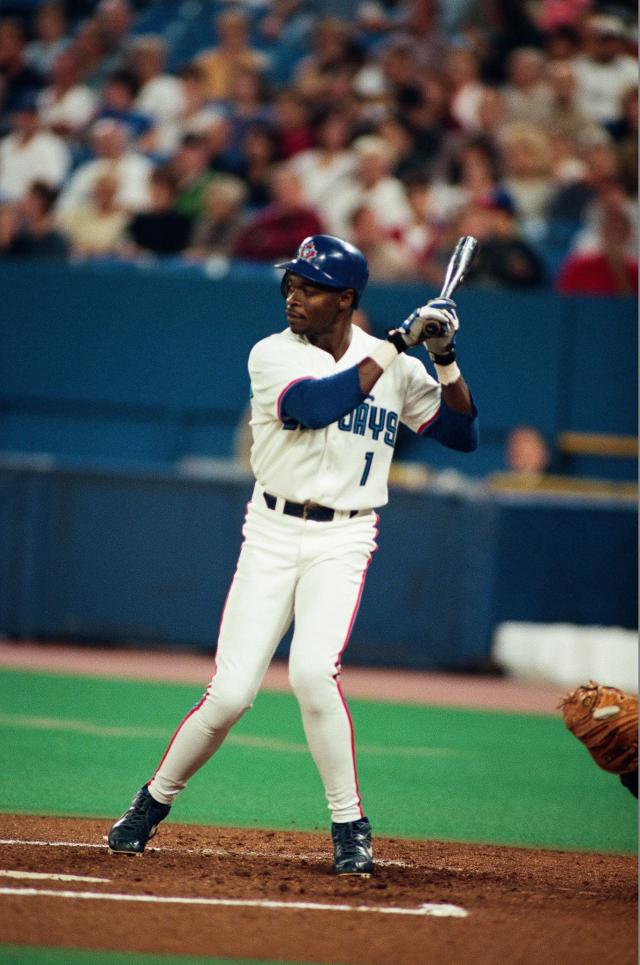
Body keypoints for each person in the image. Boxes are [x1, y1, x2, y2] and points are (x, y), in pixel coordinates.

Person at [107, 233, 479, 876]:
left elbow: (463, 434)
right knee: (229, 696)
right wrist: (399, 344)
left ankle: (349, 827)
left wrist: (444, 359)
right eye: (291, 284)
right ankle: (151, 802)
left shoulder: (393, 361)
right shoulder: (272, 354)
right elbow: (313, 407)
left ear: (345, 299)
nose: (293, 296)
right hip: (273, 532)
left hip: (344, 536)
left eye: (308, 287)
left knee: (312, 674)